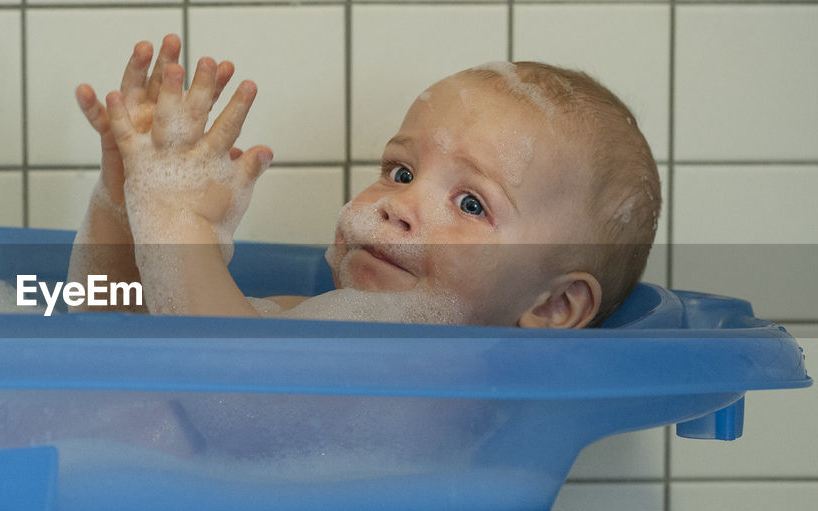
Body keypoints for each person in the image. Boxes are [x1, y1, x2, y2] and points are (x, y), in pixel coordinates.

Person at [69, 35, 660, 328]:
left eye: (471, 203)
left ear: (554, 306)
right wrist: (127, 203)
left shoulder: (451, 390)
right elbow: (110, 327)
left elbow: (234, 397)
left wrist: (185, 224)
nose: (400, 204)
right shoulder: (312, 316)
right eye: (401, 172)